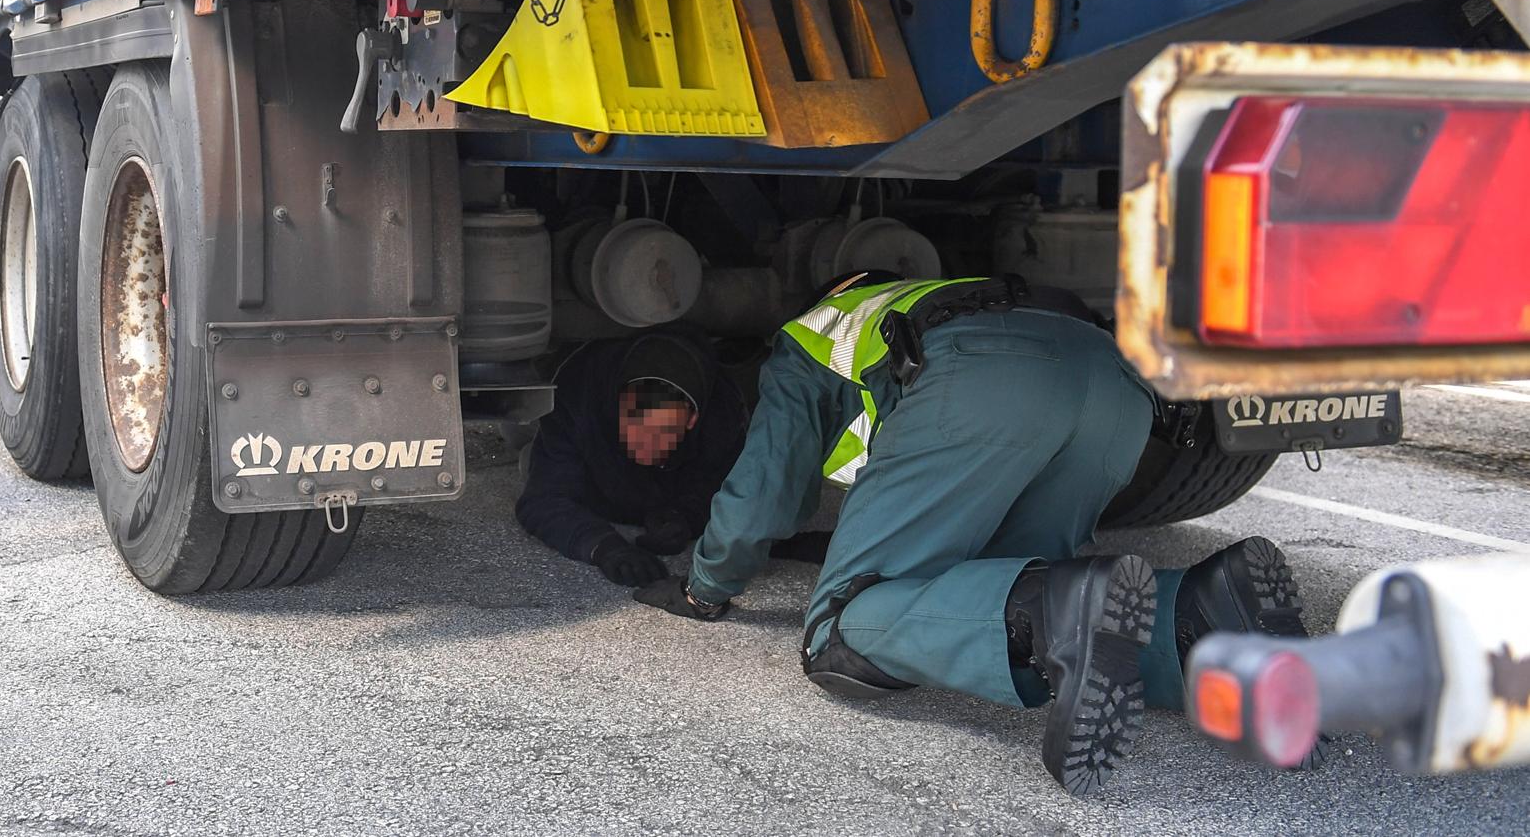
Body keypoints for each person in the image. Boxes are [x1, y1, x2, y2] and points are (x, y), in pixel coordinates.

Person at [633, 273, 1314, 795]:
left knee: (840, 631)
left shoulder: (810, 333)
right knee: (1004, 582)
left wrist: (706, 586)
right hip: (1117, 391)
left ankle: (1067, 614)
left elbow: (765, 488)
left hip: (988, 379)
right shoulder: (939, 295)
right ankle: (1202, 616)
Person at [515, 330, 749, 587]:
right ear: (618, 406)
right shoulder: (578, 399)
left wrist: (684, 518)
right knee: (522, 440)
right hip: (581, 438)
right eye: (635, 424)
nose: (644, 444)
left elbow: (729, 497)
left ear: (691, 419)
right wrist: (603, 546)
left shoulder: (722, 418)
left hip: (654, 479)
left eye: (662, 431)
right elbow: (542, 500)